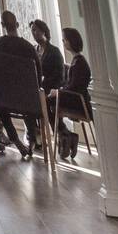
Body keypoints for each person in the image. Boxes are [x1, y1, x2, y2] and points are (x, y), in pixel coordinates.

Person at [0, 11, 38, 158]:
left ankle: (15, 140)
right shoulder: (29, 48)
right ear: (17, 25)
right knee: (30, 103)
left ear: (2, 25)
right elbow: (37, 76)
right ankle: (32, 140)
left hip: (4, 100)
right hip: (28, 101)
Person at [55, 27, 93, 161]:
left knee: (49, 101)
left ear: (71, 41)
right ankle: (66, 135)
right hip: (76, 99)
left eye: (64, 39)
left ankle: (65, 135)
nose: (63, 42)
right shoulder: (77, 61)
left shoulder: (79, 63)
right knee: (51, 100)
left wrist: (58, 92)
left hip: (79, 103)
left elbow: (73, 87)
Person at [28, 19, 65, 150]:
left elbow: (59, 76)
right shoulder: (33, 50)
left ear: (44, 31)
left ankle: (60, 133)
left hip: (51, 87)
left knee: (44, 101)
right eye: (32, 30)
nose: (34, 33)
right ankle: (35, 135)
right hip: (37, 88)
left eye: (36, 30)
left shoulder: (54, 51)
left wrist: (45, 83)